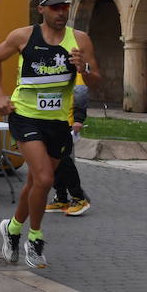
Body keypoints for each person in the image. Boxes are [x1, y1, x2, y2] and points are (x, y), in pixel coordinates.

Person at [0, 0, 102, 269]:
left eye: (65, 7)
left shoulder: (80, 40)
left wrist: (84, 68)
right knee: (45, 178)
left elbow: (97, 81)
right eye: (55, 7)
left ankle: (12, 228)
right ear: (41, 9)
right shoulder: (23, 36)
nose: (61, 12)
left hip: (57, 122)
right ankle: (35, 239)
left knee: (35, 183)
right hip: (25, 116)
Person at [46, 77, 92, 216]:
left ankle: (79, 198)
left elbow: (81, 94)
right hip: (50, 121)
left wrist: (78, 119)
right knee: (53, 162)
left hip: (66, 123)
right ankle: (61, 197)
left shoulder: (74, 72)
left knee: (64, 161)